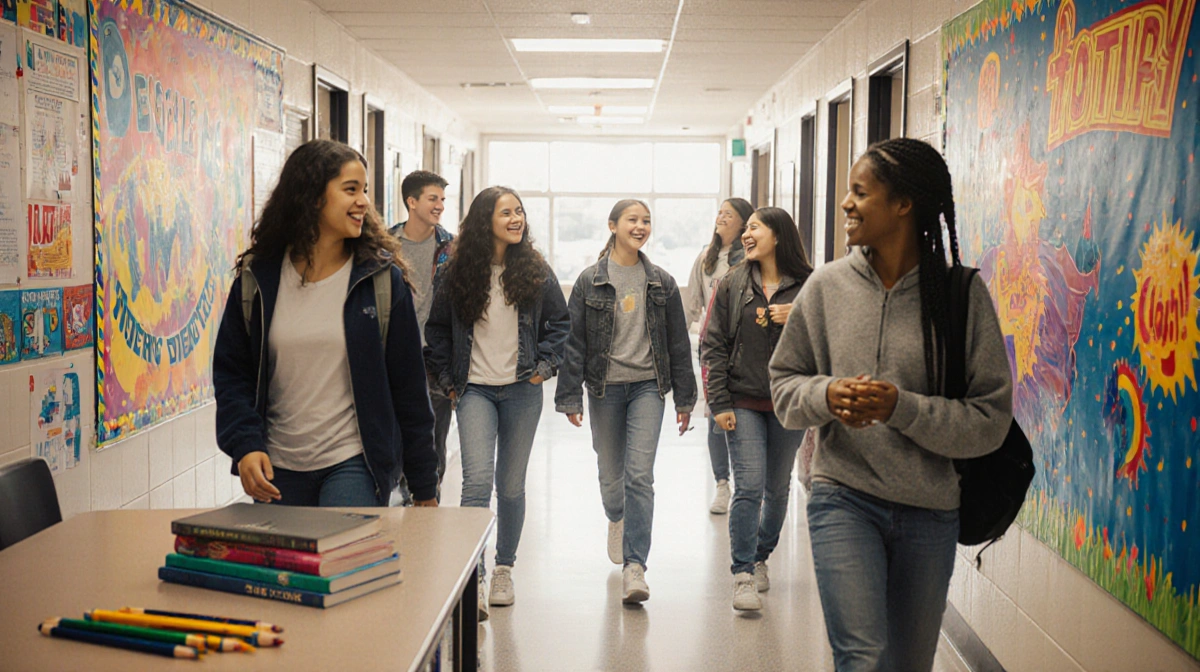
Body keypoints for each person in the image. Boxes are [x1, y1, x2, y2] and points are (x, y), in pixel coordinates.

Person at [769, 138, 1012, 671]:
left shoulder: (959, 296)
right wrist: (826, 394)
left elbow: (989, 421)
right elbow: (785, 389)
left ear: (903, 204)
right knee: (862, 657)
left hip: (930, 510)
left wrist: (901, 408)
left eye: (860, 192)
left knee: (907, 664)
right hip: (843, 496)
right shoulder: (826, 287)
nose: (846, 204)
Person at [213, 139, 439, 508]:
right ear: (313, 196)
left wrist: (424, 486)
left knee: (341, 560)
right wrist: (246, 444)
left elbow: (409, 389)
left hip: (354, 461)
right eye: (350, 189)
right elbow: (232, 373)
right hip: (279, 465)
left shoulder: (380, 280)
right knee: (288, 569)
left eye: (364, 190)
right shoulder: (260, 278)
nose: (364, 201)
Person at [425, 186, 570, 620]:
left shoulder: (535, 270)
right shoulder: (455, 272)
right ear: (485, 218)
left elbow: (560, 324)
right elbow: (435, 331)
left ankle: (504, 566)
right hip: (474, 390)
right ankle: (476, 575)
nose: (516, 219)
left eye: (519, 212)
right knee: (476, 481)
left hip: (522, 389)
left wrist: (545, 366)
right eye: (506, 212)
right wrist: (449, 381)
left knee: (510, 486)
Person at [555, 199, 696, 604]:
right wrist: (569, 396)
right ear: (613, 225)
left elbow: (677, 344)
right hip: (604, 388)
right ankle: (616, 517)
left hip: (648, 387)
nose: (640, 226)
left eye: (646, 220)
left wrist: (685, 398)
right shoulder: (589, 281)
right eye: (632, 220)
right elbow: (575, 343)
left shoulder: (662, 282)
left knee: (639, 475)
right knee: (610, 472)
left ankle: (636, 566)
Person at [701, 206, 813, 612]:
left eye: (754, 228)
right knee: (748, 486)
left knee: (777, 489)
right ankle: (743, 573)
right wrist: (719, 402)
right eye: (744, 229)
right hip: (743, 399)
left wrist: (796, 316)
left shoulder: (810, 285)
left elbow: (831, 339)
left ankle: (762, 554)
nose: (745, 235)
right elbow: (712, 345)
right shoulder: (732, 283)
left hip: (789, 401)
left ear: (778, 236)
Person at [389, 170, 453, 504]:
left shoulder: (450, 248)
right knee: (396, 437)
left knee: (433, 442)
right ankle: (402, 497)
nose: (440, 205)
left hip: (435, 359)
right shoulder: (383, 247)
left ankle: (427, 504)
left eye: (442, 199)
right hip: (393, 356)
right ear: (411, 202)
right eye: (433, 198)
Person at [687, 197, 753, 515]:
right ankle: (722, 483)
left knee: (741, 411)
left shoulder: (750, 258)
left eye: (729, 214)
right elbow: (693, 303)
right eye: (719, 213)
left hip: (746, 346)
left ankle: (747, 482)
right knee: (715, 414)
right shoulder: (706, 257)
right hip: (711, 347)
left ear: (744, 223)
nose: (721, 218)